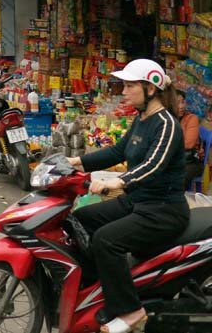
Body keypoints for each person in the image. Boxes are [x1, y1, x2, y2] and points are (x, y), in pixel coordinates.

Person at [66, 59, 188, 333]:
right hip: (137, 203)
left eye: (130, 85)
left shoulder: (167, 125)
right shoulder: (141, 119)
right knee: (79, 219)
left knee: (106, 240)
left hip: (162, 210)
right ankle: (99, 289)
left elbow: (154, 165)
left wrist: (118, 181)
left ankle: (131, 310)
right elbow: (117, 152)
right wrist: (76, 162)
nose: (124, 91)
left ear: (151, 89)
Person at [178, 93, 202, 188]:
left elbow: (189, 144)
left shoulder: (192, 118)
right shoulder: (166, 118)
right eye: (177, 103)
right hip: (173, 160)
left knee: (177, 178)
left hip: (190, 161)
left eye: (183, 102)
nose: (181, 106)